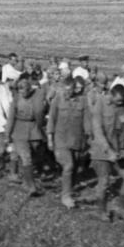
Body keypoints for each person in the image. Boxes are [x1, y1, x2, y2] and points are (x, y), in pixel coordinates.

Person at [90, 83, 124, 222]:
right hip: (101, 150)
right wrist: (108, 150)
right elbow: (97, 130)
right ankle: (100, 210)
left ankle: (121, 209)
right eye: (118, 101)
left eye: (122, 101)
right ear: (111, 95)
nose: (120, 103)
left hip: (120, 150)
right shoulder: (100, 103)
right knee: (104, 181)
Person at [47, 75, 92, 208]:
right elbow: (51, 120)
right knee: (69, 166)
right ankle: (66, 196)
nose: (67, 93)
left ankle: (68, 189)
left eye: (70, 90)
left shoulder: (82, 101)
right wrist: (50, 138)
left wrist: (89, 137)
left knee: (75, 167)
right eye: (65, 90)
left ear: (74, 89)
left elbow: (86, 121)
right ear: (62, 88)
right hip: (61, 140)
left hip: (77, 140)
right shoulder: (57, 100)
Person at [6, 76, 47, 196]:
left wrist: (41, 129)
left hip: (34, 130)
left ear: (29, 90)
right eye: (20, 90)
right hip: (19, 130)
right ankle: (31, 186)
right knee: (26, 156)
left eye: (24, 91)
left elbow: (40, 114)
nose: (22, 93)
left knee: (33, 156)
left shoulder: (37, 96)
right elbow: (11, 117)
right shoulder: (16, 99)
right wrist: (7, 134)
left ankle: (26, 179)